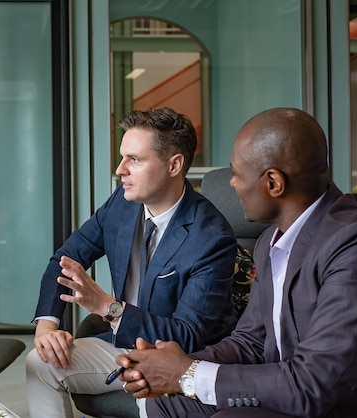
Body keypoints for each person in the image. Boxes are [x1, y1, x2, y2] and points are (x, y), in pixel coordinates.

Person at [117, 107, 357, 418]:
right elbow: (250, 342)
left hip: (333, 406)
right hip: (284, 390)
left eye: (237, 174)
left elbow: (315, 383)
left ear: (273, 183)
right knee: (165, 400)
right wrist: (174, 365)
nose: (231, 184)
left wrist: (187, 375)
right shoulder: (270, 241)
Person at [26, 107, 239, 418]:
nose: (119, 169)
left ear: (174, 164)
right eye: (122, 157)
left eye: (134, 160)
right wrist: (47, 328)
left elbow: (188, 335)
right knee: (40, 362)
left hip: (180, 357)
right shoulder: (121, 205)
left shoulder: (211, 237)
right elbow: (65, 259)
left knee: (151, 401)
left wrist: (107, 307)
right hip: (125, 342)